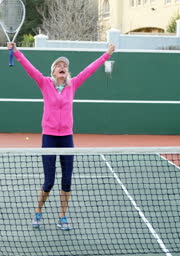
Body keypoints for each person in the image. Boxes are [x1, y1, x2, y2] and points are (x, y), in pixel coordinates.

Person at [7, 42, 116, 230]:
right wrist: (16, 51)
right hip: (49, 137)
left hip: (67, 138)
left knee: (67, 180)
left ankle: (62, 217)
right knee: (49, 181)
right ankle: (38, 213)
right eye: (59, 65)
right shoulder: (44, 83)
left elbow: (89, 70)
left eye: (65, 66)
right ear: (53, 72)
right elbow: (29, 68)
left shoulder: (72, 85)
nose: (62, 67)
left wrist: (106, 55)